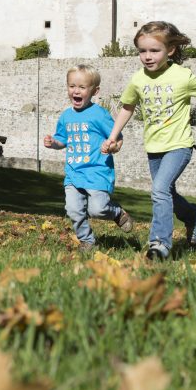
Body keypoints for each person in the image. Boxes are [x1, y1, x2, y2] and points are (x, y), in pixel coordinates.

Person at [102, 21, 196, 260]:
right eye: (142, 51)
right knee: (166, 193)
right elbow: (127, 107)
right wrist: (112, 137)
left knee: (159, 190)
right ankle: (193, 215)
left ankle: (160, 244)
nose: (147, 56)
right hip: (154, 147)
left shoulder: (182, 76)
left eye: (154, 51)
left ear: (170, 50)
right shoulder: (137, 80)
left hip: (180, 145)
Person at [43, 64, 134, 252]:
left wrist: (113, 147)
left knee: (98, 209)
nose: (76, 91)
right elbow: (62, 140)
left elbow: (118, 139)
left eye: (82, 87)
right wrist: (53, 143)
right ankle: (87, 241)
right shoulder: (66, 116)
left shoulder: (99, 114)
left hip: (97, 172)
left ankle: (117, 213)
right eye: (72, 86)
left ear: (94, 91)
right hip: (74, 174)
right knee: (73, 210)